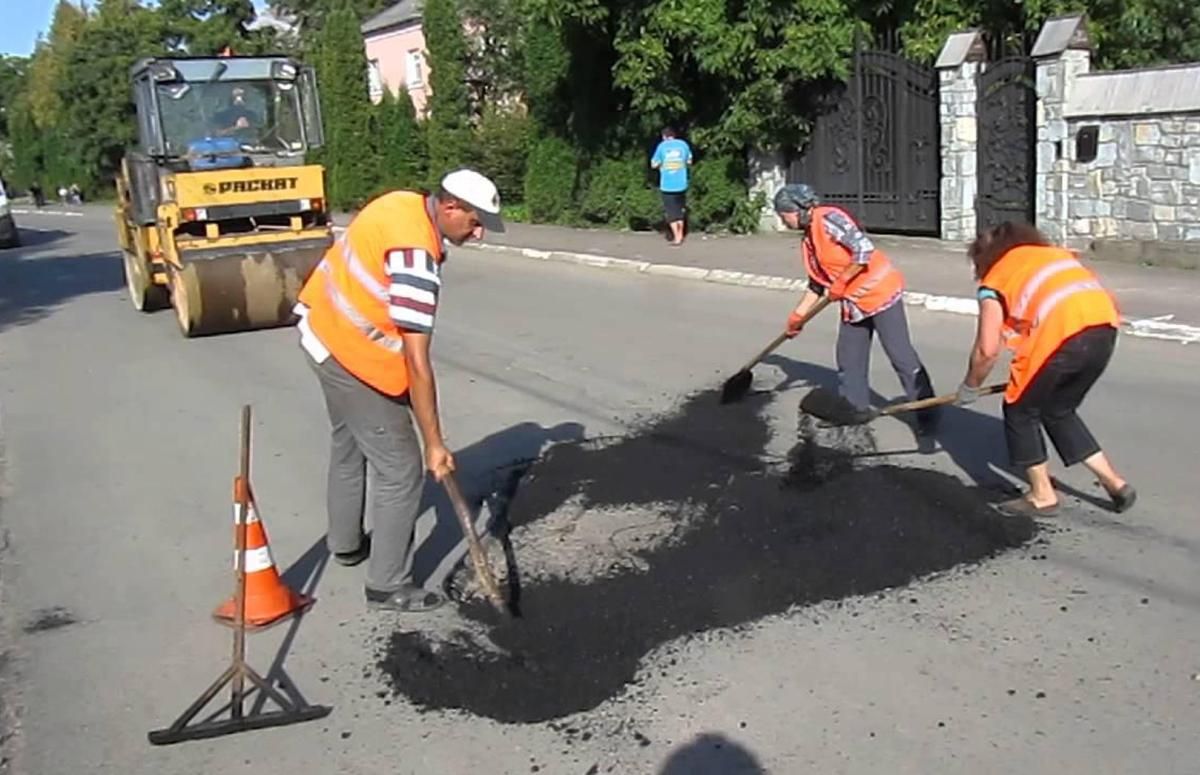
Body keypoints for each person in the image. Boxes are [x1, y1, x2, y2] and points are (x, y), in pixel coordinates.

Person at [294, 168, 506, 612]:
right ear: (450, 208)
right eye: (475, 222)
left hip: (321, 330)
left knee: (349, 442)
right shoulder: (415, 260)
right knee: (401, 468)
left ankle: (347, 544)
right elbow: (416, 362)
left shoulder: (401, 202)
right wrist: (434, 443)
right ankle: (387, 584)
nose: (480, 233)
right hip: (352, 355)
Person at [955, 221, 1136, 518]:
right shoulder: (1054, 256)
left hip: (1062, 337)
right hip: (1104, 330)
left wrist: (970, 387)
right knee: (1058, 410)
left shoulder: (997, 279)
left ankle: (1041, 495)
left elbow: (987, 350)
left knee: (1019, 409)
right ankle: (1115, 484)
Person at [772, 183, 938, 440]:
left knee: (901, 355)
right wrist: (798, 317)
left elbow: (863, 250)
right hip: (854, 302)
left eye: (784, 215)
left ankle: (927, 411)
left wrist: (841, 282)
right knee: (849, 357)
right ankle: (854, 409)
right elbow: (817, 283)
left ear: (798, 209)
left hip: (880, 293)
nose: (783, 221)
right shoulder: (808, 241)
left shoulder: (829, 219)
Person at [650, 127, 693, 246]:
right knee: (679, 210)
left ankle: (677, 236)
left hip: (667, 184)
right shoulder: (683, 145)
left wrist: (661, 165)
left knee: (671, 212)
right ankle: (681, 234)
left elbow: (654, 164)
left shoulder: (662, 146)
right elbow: (689, 161)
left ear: (664, 136)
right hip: (681, 183)